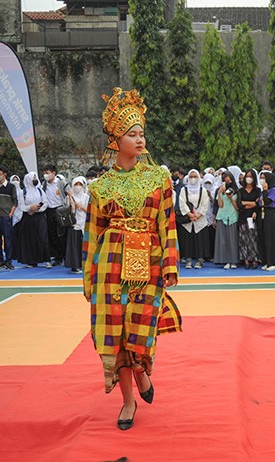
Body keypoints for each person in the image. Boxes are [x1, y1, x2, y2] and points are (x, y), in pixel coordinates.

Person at [84, 87, 181, 430]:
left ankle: (141, 370)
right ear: (116, 140)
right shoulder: (100, 187)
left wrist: (170, 263)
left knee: (139, 330)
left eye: (141, 133)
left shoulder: (159, 178)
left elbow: (167, 222)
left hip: (148, 260)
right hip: (109, 264)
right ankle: (127, 402)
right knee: (113, 332)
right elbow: (92, 235)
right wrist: (87, 277)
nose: (139, 140)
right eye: (131, 134)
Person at [178, 169, 211, 269]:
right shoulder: (184, 190)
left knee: (200, 240)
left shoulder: (203, 190)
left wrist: (198, 215)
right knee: (188, 240)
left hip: (199, 220)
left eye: (195, 176)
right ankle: (188, 260)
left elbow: (205, 204)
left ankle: (200, 260)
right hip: (188, 220)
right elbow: (182, 202)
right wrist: (189, 214)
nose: (193, 179)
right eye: (191, 177)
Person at [18, 172, 49, 268]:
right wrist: (30, 208)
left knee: (42, 237)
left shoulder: (40, 190)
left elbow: (45, 202)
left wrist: (37, 209)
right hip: (28, 217)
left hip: (39, 217)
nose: (35, 180)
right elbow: (21, 206)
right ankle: (31, 261)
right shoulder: (23, 192)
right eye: (33, 178)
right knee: (30, 238)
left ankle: (46, 259)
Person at [41, 164, 67, 268]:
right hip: (49, 210)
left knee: (61, 234)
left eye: (47, 173)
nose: (46, 175)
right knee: (52, 234)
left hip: (60, 210)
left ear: (53, 173)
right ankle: (57, 256)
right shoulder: (45, 184)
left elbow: (68, 192)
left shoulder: (60, 182)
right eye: (44, 173)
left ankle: (65, 255)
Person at [214, 172, 239, 269]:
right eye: (225, 181)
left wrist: (231, 198)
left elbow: (237, 207)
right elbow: (220, 205)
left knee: (232, 239)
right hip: (222, 216)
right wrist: (220, 193)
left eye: (229, 180)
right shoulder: (220, 190)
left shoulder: (237, 190)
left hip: (232, 216)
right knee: (223, 240)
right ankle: (225, 260)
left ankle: (234, 261)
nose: (227, 182)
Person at [238, 169, 261, 270]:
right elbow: (239, 204)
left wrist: (247, 203)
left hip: (253, 217)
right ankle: (246, 259)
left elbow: (258, 204)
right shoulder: (240, 190)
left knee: (253, 238)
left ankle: (254, 259)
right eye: (247, 176)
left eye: (251, 176)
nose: (248, 178)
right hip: (243, 217)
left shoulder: (257, 190)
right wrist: (251, 203)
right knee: (243, 239)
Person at [65, 176, 89, 274]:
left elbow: (89, 211)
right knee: (74, 246)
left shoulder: (86, 197)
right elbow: (70, 210)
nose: (78, 187)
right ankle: (75, 266)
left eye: (80, 184)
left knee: (84, 246)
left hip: (84, 224)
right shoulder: (69, 197)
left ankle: (84, 265)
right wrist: (70, 197)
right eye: (76, 184)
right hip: (74, 224)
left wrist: (82, 207)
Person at [258, 171, 275, 271]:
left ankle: (272, 263)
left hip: (270, 214)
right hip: (262, 213)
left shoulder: (273, 190)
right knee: (263, 237)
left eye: (263, 178)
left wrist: (265, 191)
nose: (262, 180)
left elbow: (267, 202)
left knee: (270, 238)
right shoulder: (262, 191)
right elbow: (259, 202)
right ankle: (265, 261)